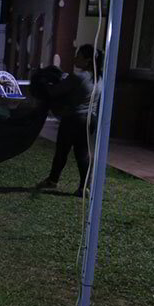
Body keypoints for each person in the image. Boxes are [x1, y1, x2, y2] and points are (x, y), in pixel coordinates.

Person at [35, 44, 103, 197]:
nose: (75, 58)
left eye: (78, 56)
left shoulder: (77, 77)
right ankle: (84, 187)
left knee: (62, 151)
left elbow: (54, 92)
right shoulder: (99, 78)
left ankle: (52, 181)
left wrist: (43, 81)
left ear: (86, 60)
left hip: (73, 119)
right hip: (89, 120)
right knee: (83, 153)